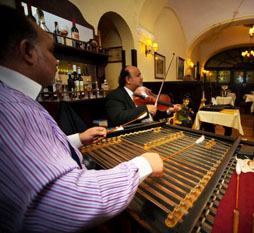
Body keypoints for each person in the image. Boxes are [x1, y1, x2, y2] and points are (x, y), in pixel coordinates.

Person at [0, 5, 163, 232]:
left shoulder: (16, 98)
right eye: (50, 50)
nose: (56, 61)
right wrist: (142, 165)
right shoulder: (10, 106)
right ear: (27, 51)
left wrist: (77, 138)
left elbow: (33, 152)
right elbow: (65, 203)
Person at [105, 65, 181, 127]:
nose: (142, 78)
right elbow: (118, 118)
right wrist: (145, 109)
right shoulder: (114, 95)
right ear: (128, 80)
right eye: (138, 75)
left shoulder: (140, 94)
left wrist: (168, 110)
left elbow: (151, 114)